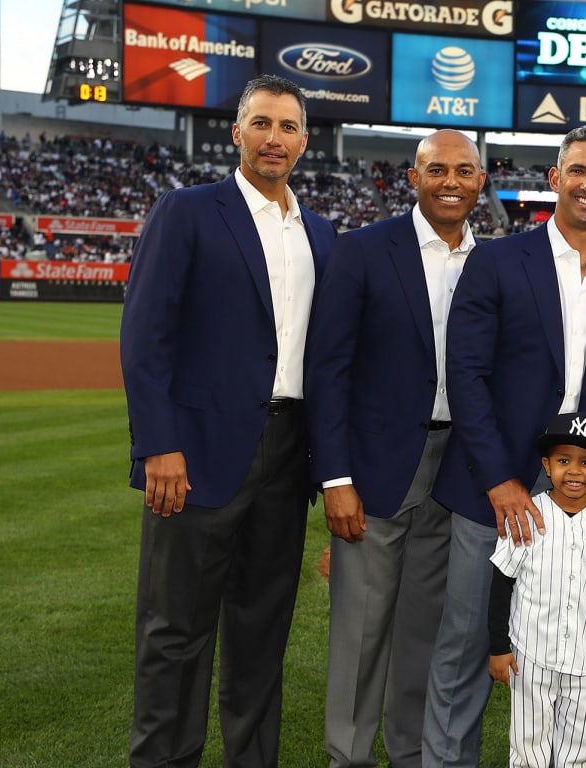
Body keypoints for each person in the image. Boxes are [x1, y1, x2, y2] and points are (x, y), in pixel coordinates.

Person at [120, 74, 337, 768]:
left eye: (289, 127)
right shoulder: (186, 211)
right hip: (196, 454)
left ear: (305, 141)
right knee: (174, 631)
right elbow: (145, 335)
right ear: (237, 132)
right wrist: (159, 444)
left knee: (261, 632)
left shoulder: (323, 234)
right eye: (262, 123)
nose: (275, 138)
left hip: (287, 453)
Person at [425, 125, 586, 767]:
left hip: (578, 497)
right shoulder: (496, 261)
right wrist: (498, 477)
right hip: (490, 492)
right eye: (577, 169)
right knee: (468, 648)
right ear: (555, 179)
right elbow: (464, 374)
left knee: (571, 644)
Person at [306, 129, 486, 768]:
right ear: (413, 178)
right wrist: (335, 478)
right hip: (376, 469)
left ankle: (410, 753)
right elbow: (327, 371)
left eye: (464, 171)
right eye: (437, 170)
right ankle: (348, 758)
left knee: (425, 633)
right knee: (360, 630)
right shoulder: (361, 251)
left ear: (480, 183)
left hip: (457, 473)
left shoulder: (493, 260)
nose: (450, 182)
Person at [487, 411, 586, 767]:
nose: (575, 471)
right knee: (527, 747)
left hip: (584, 657)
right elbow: (501, 584)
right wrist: (498, 648)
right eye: (564, 460)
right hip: (529, 657)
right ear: (547, 466)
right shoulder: (528, 514)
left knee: (580, 748)